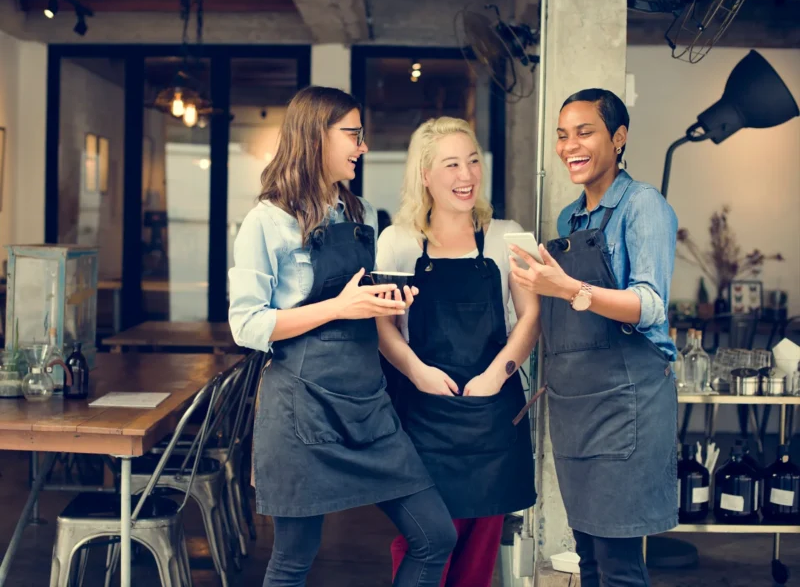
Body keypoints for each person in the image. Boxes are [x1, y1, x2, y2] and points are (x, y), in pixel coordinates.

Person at [228, 86, 457, 587]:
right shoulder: (266, 222)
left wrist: (383, 301)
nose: (362, 146)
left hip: (366, 402)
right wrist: (339, 306)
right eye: (352, 134)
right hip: (300, 406)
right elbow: (246, 326)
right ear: (315, 138)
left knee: (435, 536)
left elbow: (359, 300)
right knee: (293, 559)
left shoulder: (360, 213)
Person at [509, 88, 678, 587]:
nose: (570, 146)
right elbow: (564, 310)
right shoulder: (570, 219)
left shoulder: (643, 206)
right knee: (586, 555)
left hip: (626, 402)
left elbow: (649, 305)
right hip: (575, 403)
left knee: (619, 562)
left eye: (585, 132)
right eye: (562, 135)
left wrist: (568, 286)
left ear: (618, 138)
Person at [376, 117, 538, 587]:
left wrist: (498, 375)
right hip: (422, 415)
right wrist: (418, 371)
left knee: (480, 550)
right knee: (424, 540)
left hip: (491, 415)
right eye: (451, 164)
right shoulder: (398, 242)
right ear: (425, 175)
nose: (466, 176)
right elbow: (384, 328)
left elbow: (530, 318)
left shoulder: (508, 236)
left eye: (472, 161)